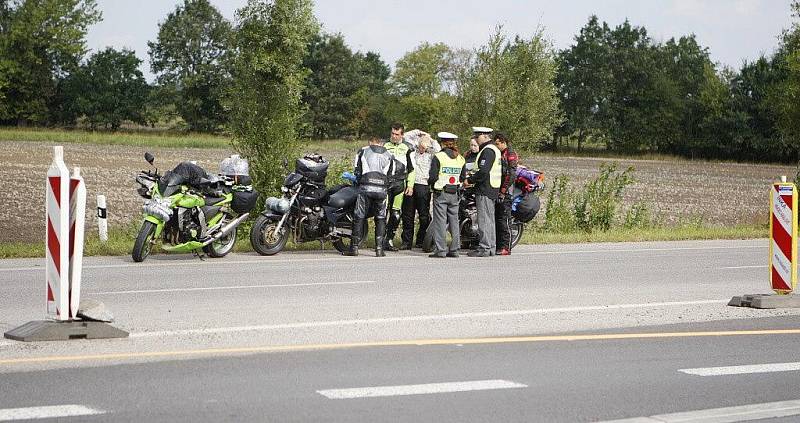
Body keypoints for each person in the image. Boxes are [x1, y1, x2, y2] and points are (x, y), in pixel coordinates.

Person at [344, 137, 394, 257]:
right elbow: (391, 176)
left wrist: (357, 182)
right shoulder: (389, 155)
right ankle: (379, 249)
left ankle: (354, 248)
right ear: (381, 143)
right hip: (382, 190)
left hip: (365, 188)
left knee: (359, 215)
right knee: (381, 218)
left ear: (370, 142)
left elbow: (357, 171)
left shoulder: (363, 151)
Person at [463, 126, 501, 257]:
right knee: (489, 219)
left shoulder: (488, 150)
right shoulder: (493, 149)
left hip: (485, 189)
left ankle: (485, 248)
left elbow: (484, 171)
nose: (476, 139)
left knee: (484, 219)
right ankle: (490, 246)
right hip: (492, 188)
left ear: (485, 136)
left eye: (477, 136)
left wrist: (470, 180)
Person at [428, 132, 465, 258]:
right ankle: (455, 249)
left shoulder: (439, 157)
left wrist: (431, 184)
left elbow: (433, 176)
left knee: (440, 222)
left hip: (441, 193)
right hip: (454, 193)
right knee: (454, 221)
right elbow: (463, 177)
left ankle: (441, 250)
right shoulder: (460, 158)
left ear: (442, 143)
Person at [383, 122, 414, 251]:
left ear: (402, 135)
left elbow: (412, 169)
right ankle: (380, 240)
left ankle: (389, 239)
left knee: (395, 214)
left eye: (397, 134)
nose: (394, 136)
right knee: (382, 213)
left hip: (400, 184)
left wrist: (410, 185)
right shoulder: (385, 146)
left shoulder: (408, 148)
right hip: (385, 184)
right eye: (392, 133)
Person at [401, 135, 435, 249]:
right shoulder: (411, 152)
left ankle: (421, 239)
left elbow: (438, 149)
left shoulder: (432, 154)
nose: (422, 149)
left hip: (424, 186)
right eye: (420, 146)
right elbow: (406, 137)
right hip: (411, 185)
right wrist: (420, 133)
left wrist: (430, 141)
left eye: (424, 147)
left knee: (424, 216)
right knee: (408, 215)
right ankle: (406, 242)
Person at [494, 133, 516, 256]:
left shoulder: (510, 154)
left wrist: (503, 190)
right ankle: (498, 245)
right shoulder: (500, 153)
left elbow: (511, 174)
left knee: (505, 220)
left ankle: (506, 247)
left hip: (506, 192)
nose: (496, 146)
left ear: (503, 142)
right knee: (498, 219)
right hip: (498, 191)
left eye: (497, 144)